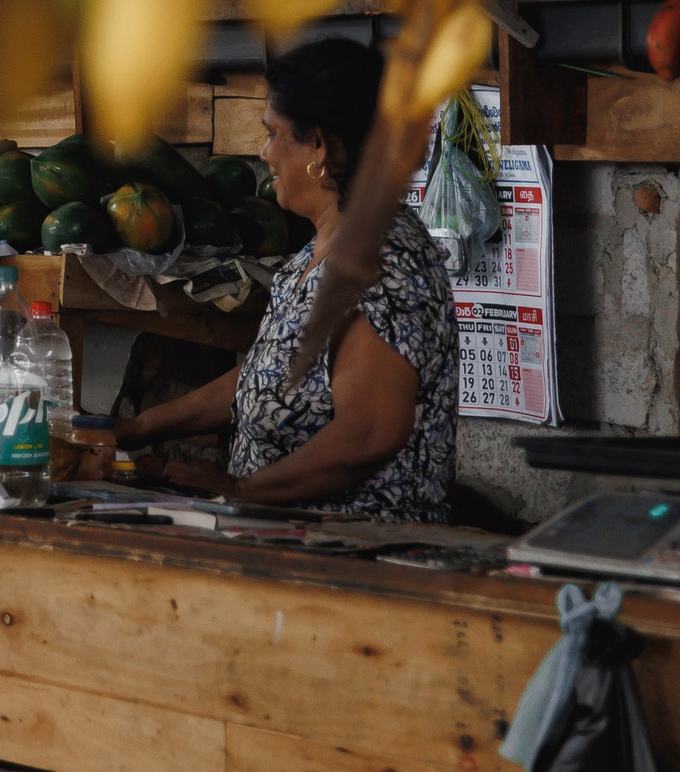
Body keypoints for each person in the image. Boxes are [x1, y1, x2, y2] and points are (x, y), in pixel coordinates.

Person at [116, 37, 459, 521]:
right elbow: (267, 377)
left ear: (319, 145)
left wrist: (243, 490)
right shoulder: (316, 255)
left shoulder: (385, 265)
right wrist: (136, 429)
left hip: (356, 557)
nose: (264, 152)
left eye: (273, 133)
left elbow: (369, 432)